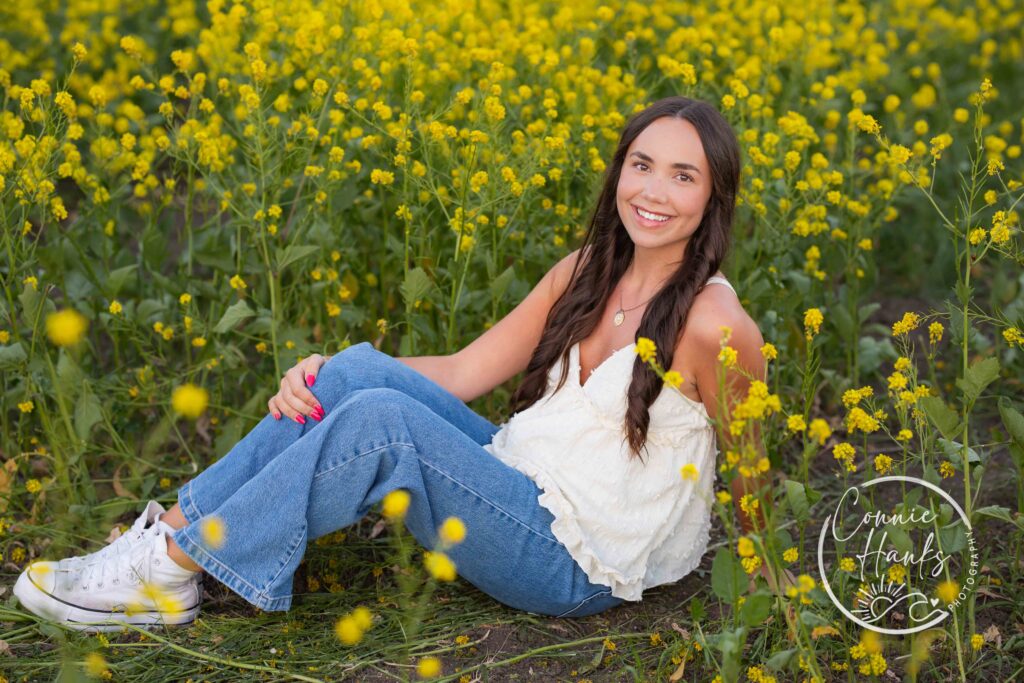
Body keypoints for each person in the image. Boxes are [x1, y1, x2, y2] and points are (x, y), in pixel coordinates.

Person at [13, 95, 777, 631]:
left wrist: (763, 576)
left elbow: (749, 466)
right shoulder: (584, 270)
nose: (653, 191)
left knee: (382, 425)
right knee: (349, 374)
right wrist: (324, 371)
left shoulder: (717, 324)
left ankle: (177, 561)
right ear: (619, 172)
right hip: (524, 477)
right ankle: (163, 544)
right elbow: (462, 369)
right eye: (642, 165)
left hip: (578, 559)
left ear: (713, 199)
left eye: (683, 176)